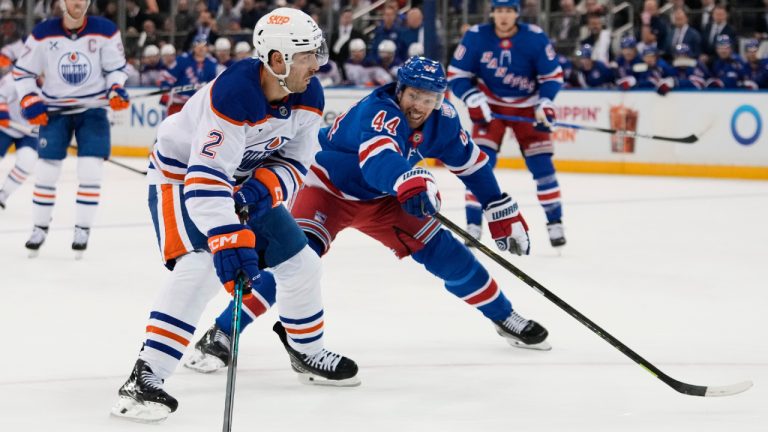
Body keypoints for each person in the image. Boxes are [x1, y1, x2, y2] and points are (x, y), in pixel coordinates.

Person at [185, 56, 550, 376]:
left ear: (440, 100)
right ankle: (222, 333)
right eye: (414, 95)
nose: (419, 106)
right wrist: (409, 179)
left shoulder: (445, 121)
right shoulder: (378, 110)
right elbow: (379, 161)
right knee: (296, 259)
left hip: (386, 197)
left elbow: (473, 166)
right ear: (400, 90)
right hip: (326, 187)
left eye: (429, 99)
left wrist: (499, 207)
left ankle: (504, 315)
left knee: (446, 252)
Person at [110, 9, 359, 423]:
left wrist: (264, 189)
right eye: (306, 55)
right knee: (201, 267)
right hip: (180, 177)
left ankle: (307, 351)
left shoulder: (309, 95)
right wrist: (227, 238)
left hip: (242, 178)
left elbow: (298, 160)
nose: (317, 64)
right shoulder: (234, 94)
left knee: (301, 264)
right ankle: (144, 378)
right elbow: (206, 177)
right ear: (277, 60)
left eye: (317, 52)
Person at [13, 0, 130, 257]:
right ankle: (39, 227)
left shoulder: (106, 30)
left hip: (93, 110)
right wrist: (30, 99)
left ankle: (82, 228)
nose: (80, 3)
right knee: (45, 172)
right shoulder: (43, 33)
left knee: (90, 171)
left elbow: (116, 69)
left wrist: (116, 88)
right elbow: (22, 73)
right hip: (55, 111)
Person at [447, 0, 566, 248]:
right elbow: (457, 74)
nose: (504, 16)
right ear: (492, 12)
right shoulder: (476, 36)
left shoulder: (535, 38)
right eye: (499, 10)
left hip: (528, 109)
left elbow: (552, 76)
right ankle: (473, 224)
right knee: (478, 165)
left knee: (543, 167)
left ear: (517, 13)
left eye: (509, 11)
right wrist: (471, 96)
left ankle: (555, 223)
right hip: (491, 109)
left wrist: (545, 102)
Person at [0, 61, 37, 210]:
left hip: (28, 132)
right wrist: (2, 112)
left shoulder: (53, 85)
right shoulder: (14, 78)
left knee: (27, 161)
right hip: (5, 128)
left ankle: (3, 195)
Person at [160, 34, 219, 116]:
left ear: (207, 48)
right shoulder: (182, 60)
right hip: (179, 105)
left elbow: (214, 85)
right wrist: (165, 94)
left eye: (204, 45)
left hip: (200, 107)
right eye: (198, 44)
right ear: (193, 47)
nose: (201, 47)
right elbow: (168, 77)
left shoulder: (212, 64)